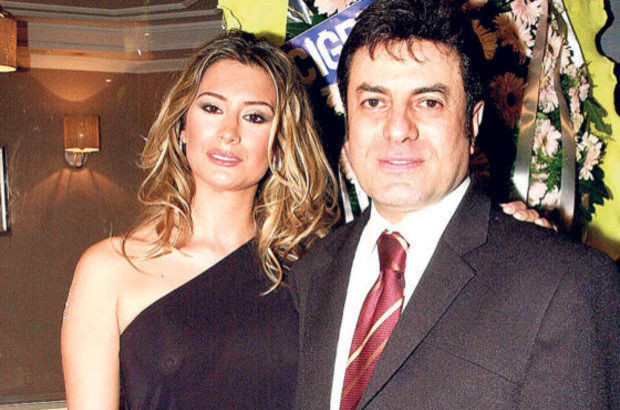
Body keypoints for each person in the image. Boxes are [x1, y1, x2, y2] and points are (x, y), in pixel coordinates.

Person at [291, 1, 619, 409]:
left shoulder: (562, 283)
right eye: (374, 102)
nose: (398, 129)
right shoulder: (311, 275)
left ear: (473, 121)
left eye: (428, 102)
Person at [60, 30, 339, 409]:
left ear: (278, 146)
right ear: (181, 127)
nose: (229, 133)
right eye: (211, 108)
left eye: (254, 117)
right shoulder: (109, 269)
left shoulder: (309, 270)